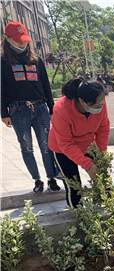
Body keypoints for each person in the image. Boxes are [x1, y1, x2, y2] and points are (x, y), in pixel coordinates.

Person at [1, 21, 60, 193]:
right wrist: (4, 114)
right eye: (18, 39)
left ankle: (51, 178)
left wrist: (51, 108)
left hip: (40, 108)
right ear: (8, 38)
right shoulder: (3, 61)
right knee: (26, 147)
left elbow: (46, 86)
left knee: (46, 146)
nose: (22, 42)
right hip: (18, 110)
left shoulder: (36, 60)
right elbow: (1, 89)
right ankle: (37, 180)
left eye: (24, 39)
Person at [48, 78, 110, 207]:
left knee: (101, 177)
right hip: (62, 149)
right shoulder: (61, 109)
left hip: (87, 144)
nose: (101, 107)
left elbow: (103, 129)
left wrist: (100, 154)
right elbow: (65, 144)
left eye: (102, 103)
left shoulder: (100, 103)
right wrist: (87, 164)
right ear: (82, 101)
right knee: (74, 185)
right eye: (97, 105)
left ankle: (106, 207)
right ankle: (78, 215)